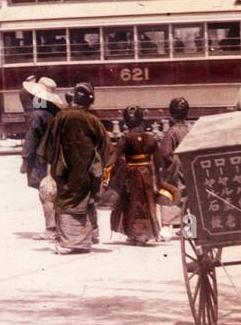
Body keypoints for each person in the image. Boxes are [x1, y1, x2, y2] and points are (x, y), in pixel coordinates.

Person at [41, 81, 111, 254]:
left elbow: (49, 146)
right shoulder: (93, 120)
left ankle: (69, 242)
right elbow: (106, 149)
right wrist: (105, 175)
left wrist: (49, 172)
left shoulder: (61, 117)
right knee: (86, 202)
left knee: (66, 202)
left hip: (64, 170)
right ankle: (86, 240)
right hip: (87, 171)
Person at [20, 76, 65, 240]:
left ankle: (50, 229)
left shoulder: (38, 115)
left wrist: (25, 160)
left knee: (45, 193)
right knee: (56, 191)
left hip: (42, 158)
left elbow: (31, 139)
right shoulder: (58, 113)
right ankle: (59, 227)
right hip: (57, 156)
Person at [109, 105, 161, 246]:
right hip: (147, 173)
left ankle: (135, 235)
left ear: (126, 122)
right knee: (147, 202)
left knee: (133, 203)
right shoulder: (151, 139)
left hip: (131, 174)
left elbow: (113, 158)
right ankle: (146, 233)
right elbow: (159, 161)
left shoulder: (125, 139)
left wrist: (108, 174)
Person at [155, 97, 193, 230]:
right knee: (191, 200)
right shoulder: (191, 129)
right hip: (191, 168)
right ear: (187, 113)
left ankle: (175, 227)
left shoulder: (171, 132)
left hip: (178, 171)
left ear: (171, 114)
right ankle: (191, 229)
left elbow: (165, 154)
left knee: (178, 199)